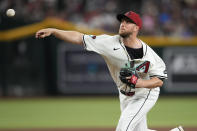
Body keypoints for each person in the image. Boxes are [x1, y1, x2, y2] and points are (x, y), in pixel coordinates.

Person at [36, 11, 183, 131]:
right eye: (122, 21)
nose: (123, 24)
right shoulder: (108, 42)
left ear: (136, 28)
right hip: (125, 93)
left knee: (123, 128)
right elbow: (79, 37)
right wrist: (54, 30)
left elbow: (159, 81)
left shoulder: (149, 55)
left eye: (128, 22)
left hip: (145, 94)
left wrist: (139, 82)